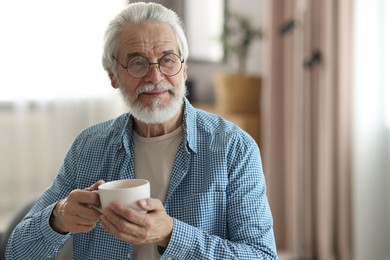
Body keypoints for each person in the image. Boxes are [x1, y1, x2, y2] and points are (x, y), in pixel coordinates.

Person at [6, 2, 278, 259]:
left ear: (184, 68)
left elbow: (262, 255)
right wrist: (58, 219)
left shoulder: (234, 147)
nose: (155, 77)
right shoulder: (88, 147)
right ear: (113, 76)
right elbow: (17, 251)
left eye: (168, 59)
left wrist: (171, 234)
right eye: (137, 63)